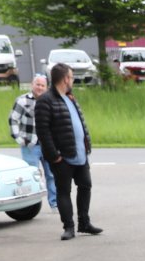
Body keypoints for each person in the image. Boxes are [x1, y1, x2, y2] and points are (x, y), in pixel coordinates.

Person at [35, 62, 103, 240]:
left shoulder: (70, 97)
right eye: (71, 77)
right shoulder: (45, 100)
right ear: (65, 79)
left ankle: (84, 223)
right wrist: (54, 156)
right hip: (62, 157)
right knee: (63, 191)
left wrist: (86, 146)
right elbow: (43, 132)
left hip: (80, 153)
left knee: (85, 185)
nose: (72, 80)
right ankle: (69, 227)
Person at [10, 74, 58, 213]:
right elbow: (13, 120)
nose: (40, 88)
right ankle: (31, 206)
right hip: (30, 145)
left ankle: (54, 204)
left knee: (52, 175)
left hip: (48, 145)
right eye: (38, 84)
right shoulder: (22, 101)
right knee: (32, 176)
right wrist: (19, 138)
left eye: (43, 85)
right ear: (32, 85)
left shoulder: (51, 101)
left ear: (46, 87)